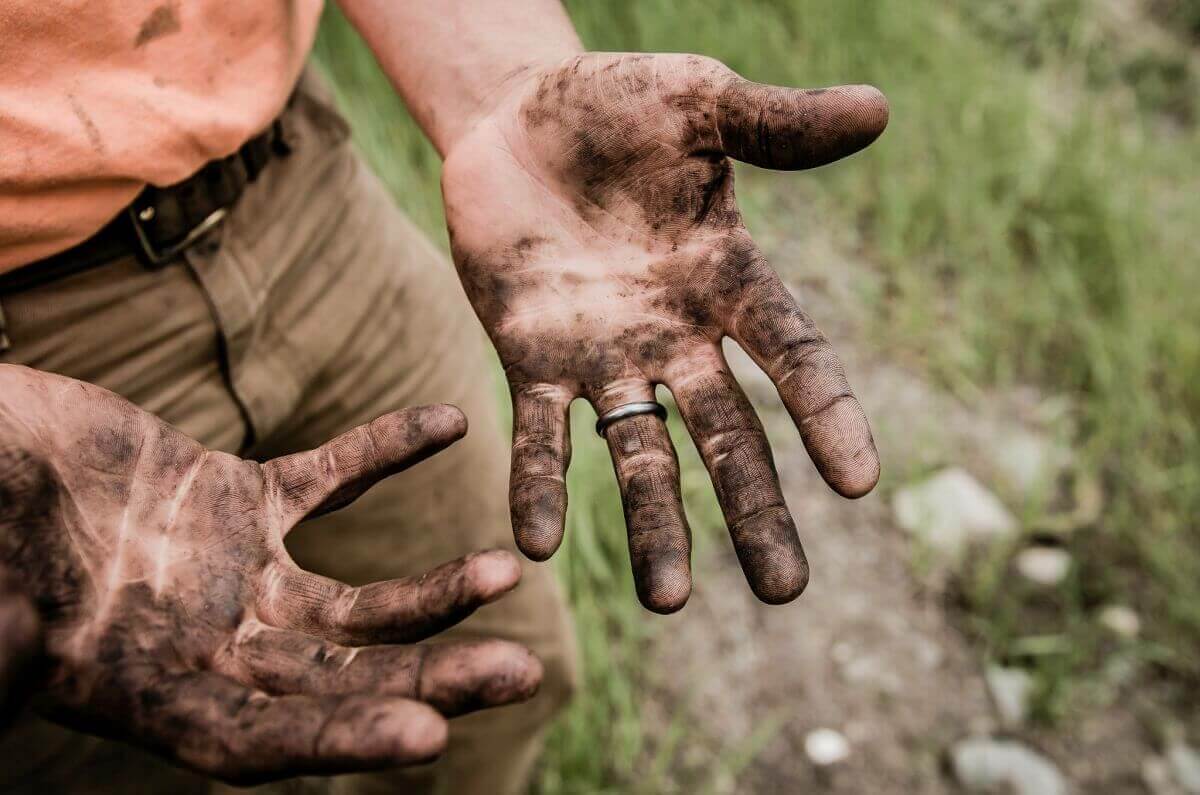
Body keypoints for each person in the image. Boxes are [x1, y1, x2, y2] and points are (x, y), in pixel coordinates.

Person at [0, 1, 888, 792]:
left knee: (492, 683)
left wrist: (501, 82)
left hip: (298, 195)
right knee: (112, 751)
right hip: (30, 357)